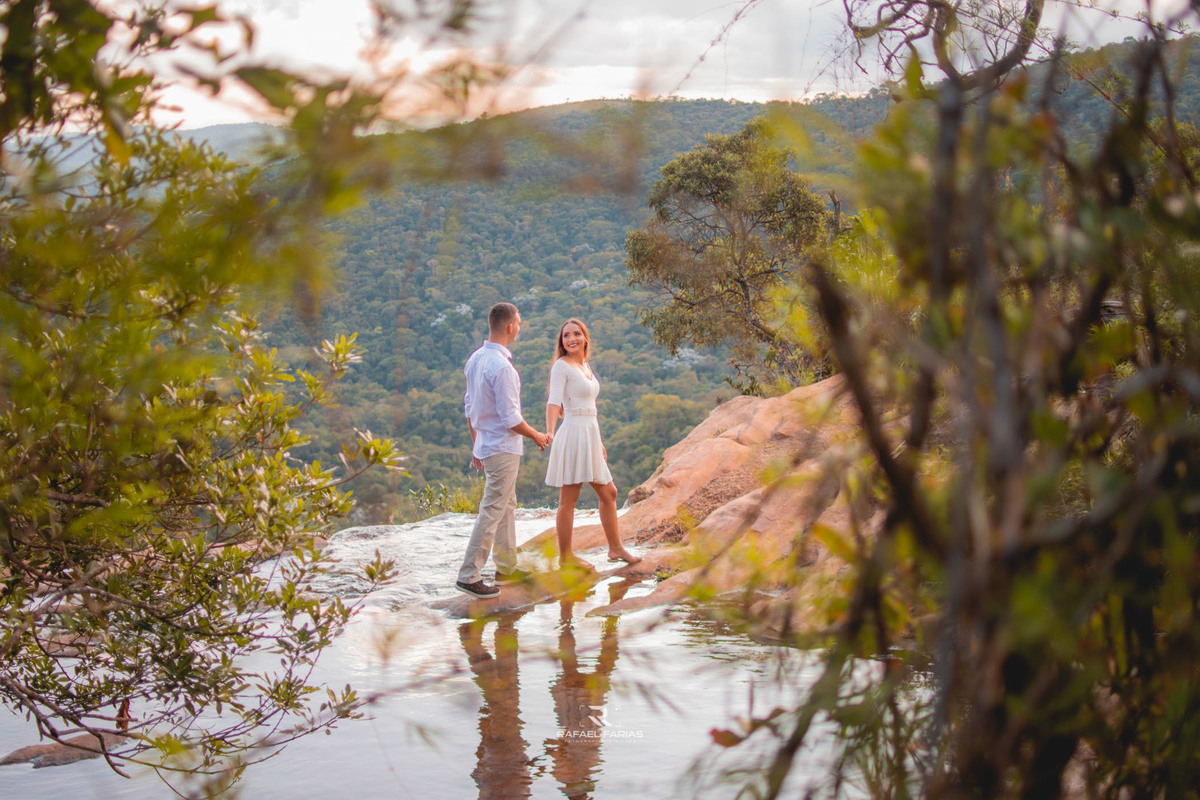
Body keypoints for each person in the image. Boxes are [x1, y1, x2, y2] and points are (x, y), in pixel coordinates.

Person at [457, 302, 550, 599]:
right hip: (502, 446)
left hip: (486, 443)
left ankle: (506, 568)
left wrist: (476, 443)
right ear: (510, 327)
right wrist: (536, 435)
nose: (519, 327)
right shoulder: (503, 368)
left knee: (506, 503)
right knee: (494, 507)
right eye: (519, 323)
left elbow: (469, 408)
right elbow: (511, 420)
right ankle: (468, 574)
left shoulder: (475, 359)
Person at [543, 318, 641, 568]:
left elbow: (591, 408)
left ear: (585, 338)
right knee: (569, 500)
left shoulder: (585, 365)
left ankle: (615, 549)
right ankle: (566, 559)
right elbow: (554, 401)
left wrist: (598, 442)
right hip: (573, 435)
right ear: (561, 341)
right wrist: (550, 432)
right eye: (566, 335)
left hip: (590, 435)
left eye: (576, 334)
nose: (572, 339)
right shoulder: (561, 367)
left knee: (609, 493)